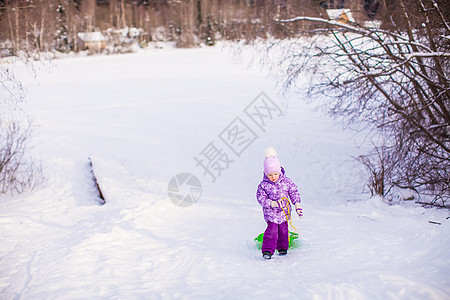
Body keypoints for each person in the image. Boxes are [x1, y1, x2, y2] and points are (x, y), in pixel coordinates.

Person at [256, 147, 303, 259]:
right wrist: (271, 203)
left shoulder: (287, 182)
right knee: (271, 231)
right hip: (271, 213)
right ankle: (267, 251)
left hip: (284, 212)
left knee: (283, 230)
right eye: (270, 175)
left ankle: (282, 248)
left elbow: (293, 192)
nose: (273, 177)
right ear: (266, 174)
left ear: (279, 172)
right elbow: (260, 198)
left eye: (275, 174)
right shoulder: (264, 185)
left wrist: (297, 205)